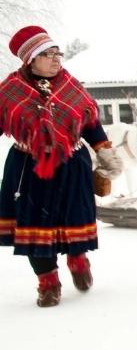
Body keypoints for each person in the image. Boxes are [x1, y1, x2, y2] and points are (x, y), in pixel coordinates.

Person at [0, 26, 123, 307]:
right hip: (28, 169)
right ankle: (48, 282)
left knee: (74, 217)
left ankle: (78, 259)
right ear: (30, 58)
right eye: (47, 54)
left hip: (71, 165)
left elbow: (90, 123)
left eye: (58, 53)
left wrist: (104, 152)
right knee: (34, 225)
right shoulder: (10, 91)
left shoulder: (71, 86)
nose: (56, 59)